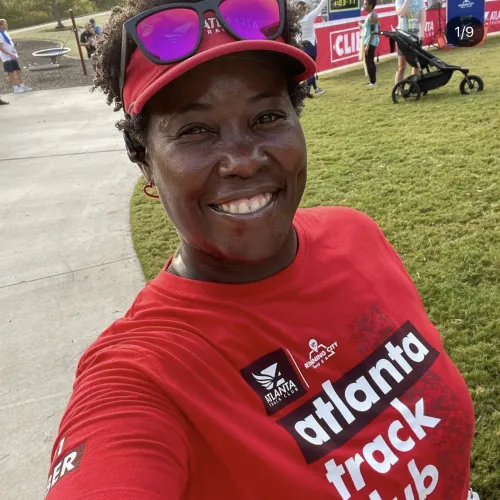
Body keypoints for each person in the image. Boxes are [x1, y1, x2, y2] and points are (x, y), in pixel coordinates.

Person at [44, 1, 480, 499]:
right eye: (195, 130)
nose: (244, 160)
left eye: (267, 116)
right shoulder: (144, 374)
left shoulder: (357, 235)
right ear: (144, 160)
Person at [297, 0, 327, 97]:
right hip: (311, 46)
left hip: (302, 46)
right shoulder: (309, 17)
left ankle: (316, 88)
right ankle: (307, 90)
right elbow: (321, 6)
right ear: (305, 9)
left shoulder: (296, 20)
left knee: (308, 68)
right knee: (311, 69)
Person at [395, 0, 426, 83]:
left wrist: (422, 32)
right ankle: (398, 89)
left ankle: (413, 86)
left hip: (415, 36)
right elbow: (401, 13)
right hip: (402, 36)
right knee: (401, 67)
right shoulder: (399, 1)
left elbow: (422, 17)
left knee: (416, 64)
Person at [0, 19, 32, 94]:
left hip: (13, 55)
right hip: (7, 57)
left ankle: (22, 85)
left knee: (18, 71)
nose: (7, 25)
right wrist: (10, 54)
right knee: (11, 72)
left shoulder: (5, 33)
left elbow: (8, 42)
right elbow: (0, 47)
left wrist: (14, 45)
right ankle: (15, 88)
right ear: (1, 25)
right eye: (5, 24)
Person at [361, 0, 379, 87]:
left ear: (370, 5)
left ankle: (373, 82)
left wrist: (368, 45)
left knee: (369, 62)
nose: (363, 6)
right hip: (369, 41)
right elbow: (377, 27)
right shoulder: (371, 15)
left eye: (365, 4)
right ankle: (373, 81)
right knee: (370, 61)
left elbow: (372, 32)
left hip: (370, 42)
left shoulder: (372, 15)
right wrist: (362, 26)